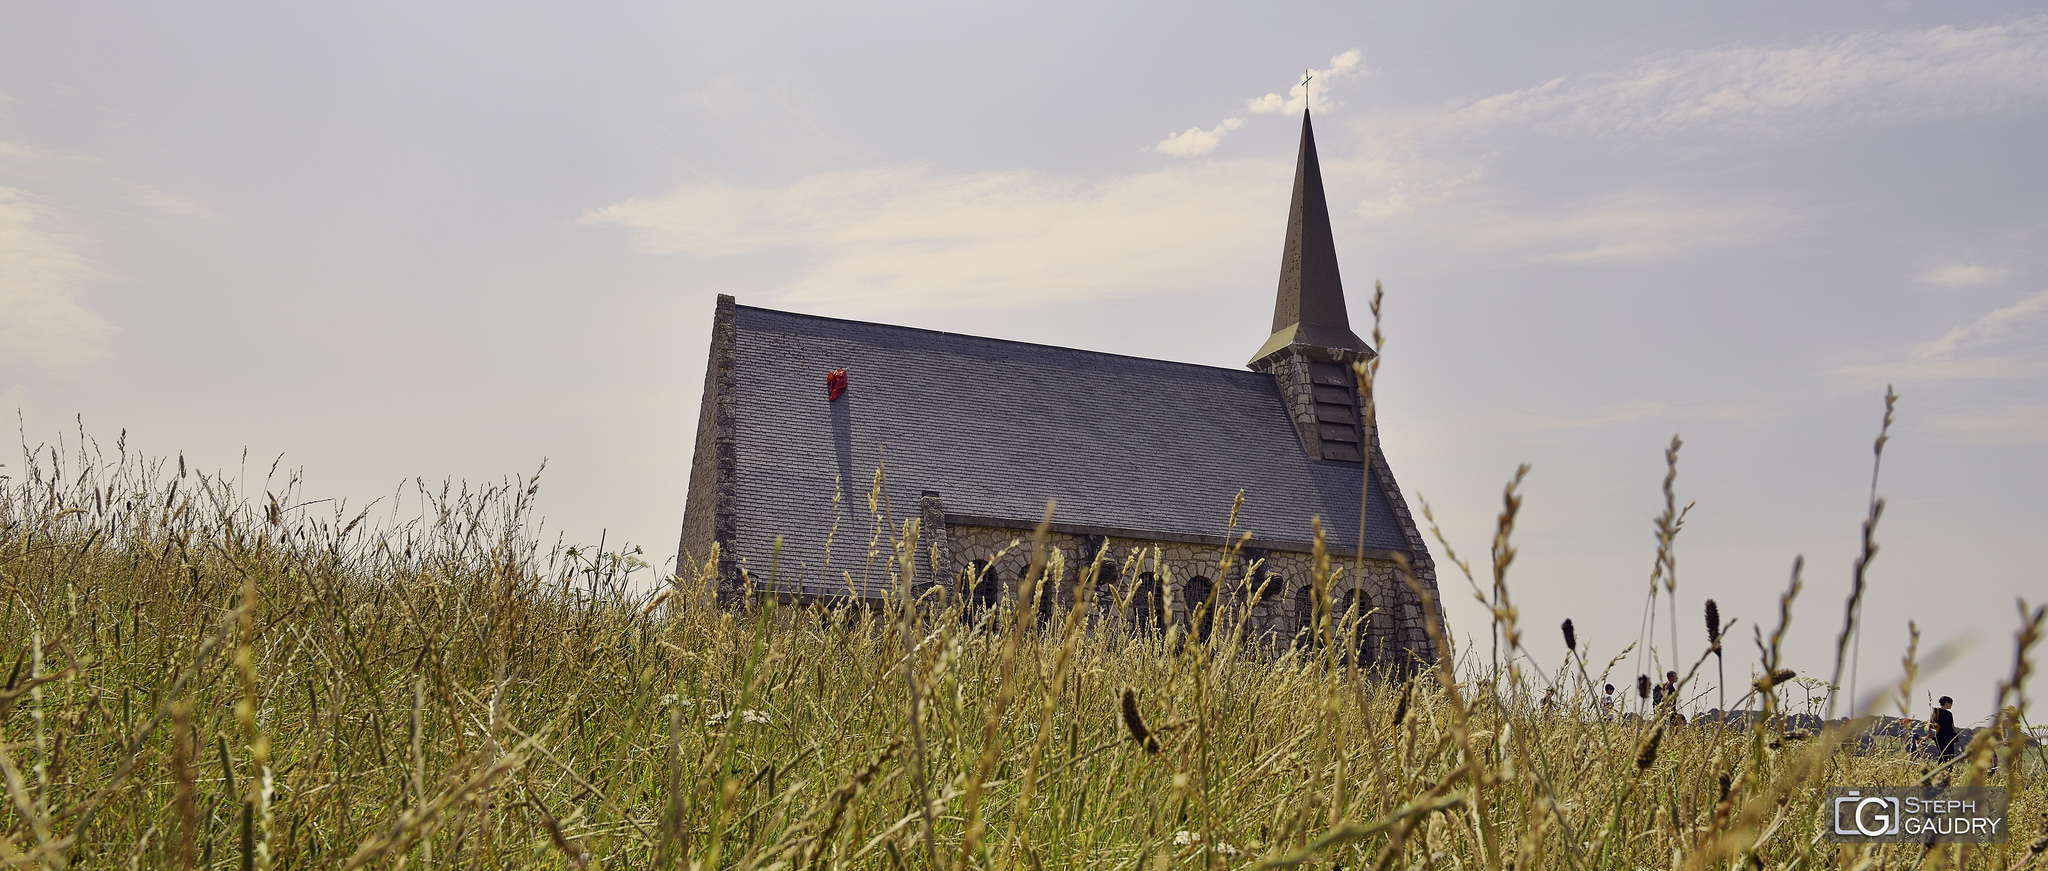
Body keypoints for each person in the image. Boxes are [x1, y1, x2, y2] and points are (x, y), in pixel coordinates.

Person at [1932, 696, 1959, 763]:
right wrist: (1929, 732)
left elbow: (1952, 726)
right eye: (1951, 703)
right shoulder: (1936, 710)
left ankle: (1949, 770)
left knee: (1950, 754)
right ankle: (1940, 769)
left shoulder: (1949, 714)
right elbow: (1930, 721)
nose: (1951, 705)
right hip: (1940, 735)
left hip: (1949, 736)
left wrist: (1955, 735)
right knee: (1943, 752)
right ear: (1946, 703)